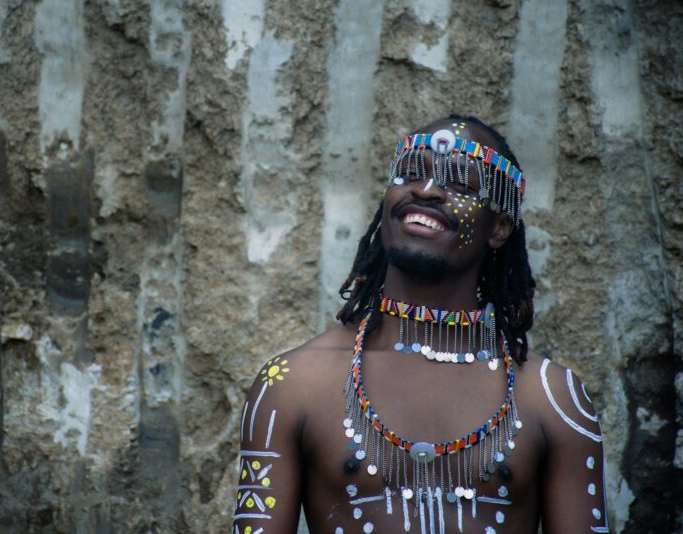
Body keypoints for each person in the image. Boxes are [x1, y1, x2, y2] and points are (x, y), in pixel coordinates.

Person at [232, 116, 608, 534]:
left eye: (461, 185)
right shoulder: (289, 383)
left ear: (499, 228)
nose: (426, 191)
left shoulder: (555, 399)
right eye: (411, 174)